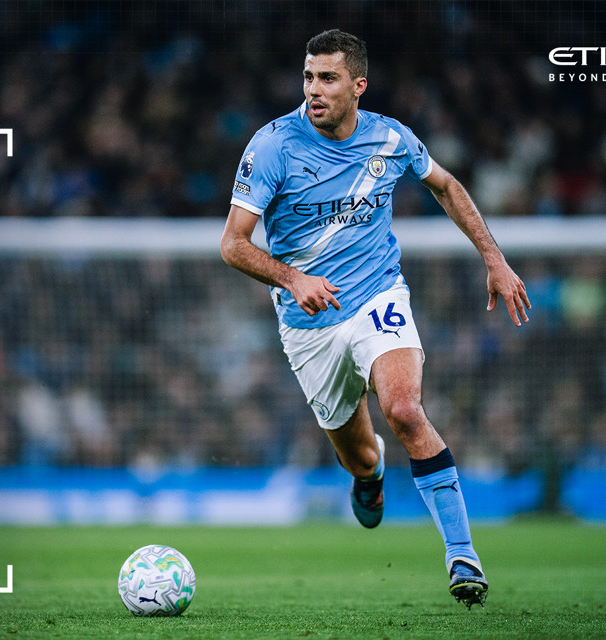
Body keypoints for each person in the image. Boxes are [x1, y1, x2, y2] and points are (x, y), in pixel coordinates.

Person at [220, 29, 530, 610]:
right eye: (308, 77)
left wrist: (494, 258)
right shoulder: (273, 146)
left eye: (328, 78)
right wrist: (293, 279)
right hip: (308, 323)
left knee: (404, 409)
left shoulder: (390, 138)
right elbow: (233, 244)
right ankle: (370, 475)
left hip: (377, 295)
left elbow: (446, 185)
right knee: (359, 455)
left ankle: (462, 556)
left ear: (358, 85)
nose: (313, 90)